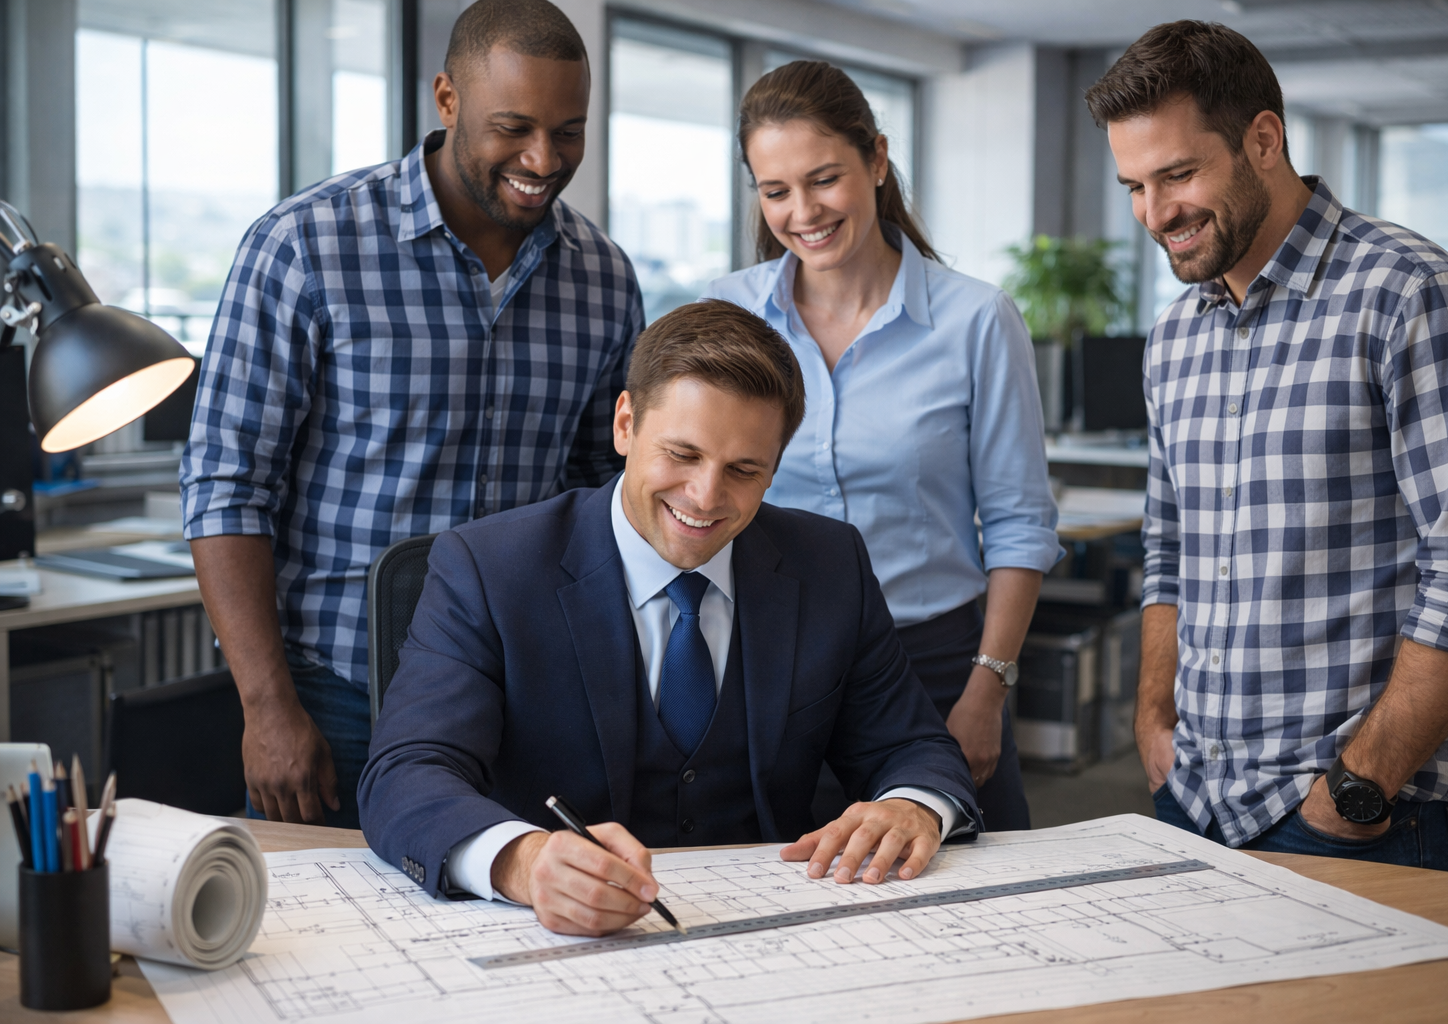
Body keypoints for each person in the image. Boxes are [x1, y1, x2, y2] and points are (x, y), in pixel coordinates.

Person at [359, 300, 979, 936]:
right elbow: (406, 773)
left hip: (775, 928)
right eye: (682, 454)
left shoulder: (830, 564)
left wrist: (912, 806)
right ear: (625, 424)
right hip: (554, 939)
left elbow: (912, 745)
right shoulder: (490, 567)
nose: (705, 498)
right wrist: (523, 861)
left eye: (744, 469)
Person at [180, 0, 641, 829]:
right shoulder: (305, 244)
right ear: (447, 99)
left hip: (522, 699)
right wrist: (268, 709)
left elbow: (601, 490)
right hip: (335, 699)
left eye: (569, 131)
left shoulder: (604, 277)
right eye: (515, 127)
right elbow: (226, 486)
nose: (544, 158)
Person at [1088, 21, 1448, 871]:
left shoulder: (1416, 298)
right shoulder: (1176, 336)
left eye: (1178, 174)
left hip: (1366, 819)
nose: (1156, 214)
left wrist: (1355, 790)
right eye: (1134, 186)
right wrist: (1154, 722)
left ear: (1263, 140)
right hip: (1194, 798)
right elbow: (1169, 549)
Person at [704, 61, 1060, 832]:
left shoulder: (975, 320)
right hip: (769, 665)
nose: (803, 211)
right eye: (775, 191)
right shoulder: (726, 316)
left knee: (970, 908)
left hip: (933, 668)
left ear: (876, 159)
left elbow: (1019, 525)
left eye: (824, 178)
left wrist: (985, 691)